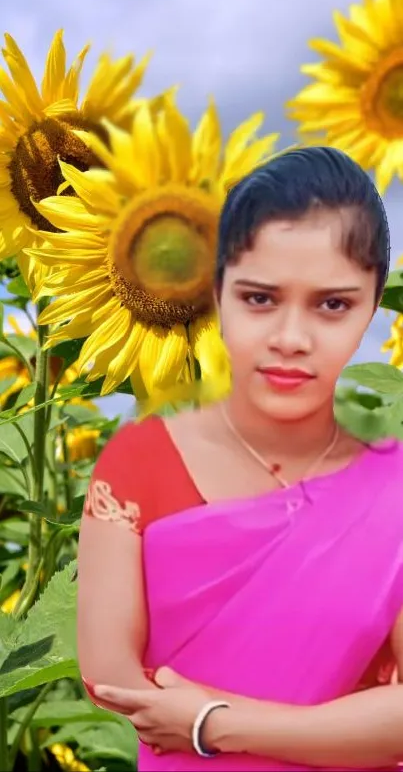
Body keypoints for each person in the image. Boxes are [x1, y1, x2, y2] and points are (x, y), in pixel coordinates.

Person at [77, 146, 403, 772]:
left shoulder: (392, 491)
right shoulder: (139, 462)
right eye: (259, 299)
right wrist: (344, 728)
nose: (290, 338)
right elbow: (109, 676)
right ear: (217, 290)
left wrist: (211, 722)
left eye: (332, 305)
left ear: (372, 305)